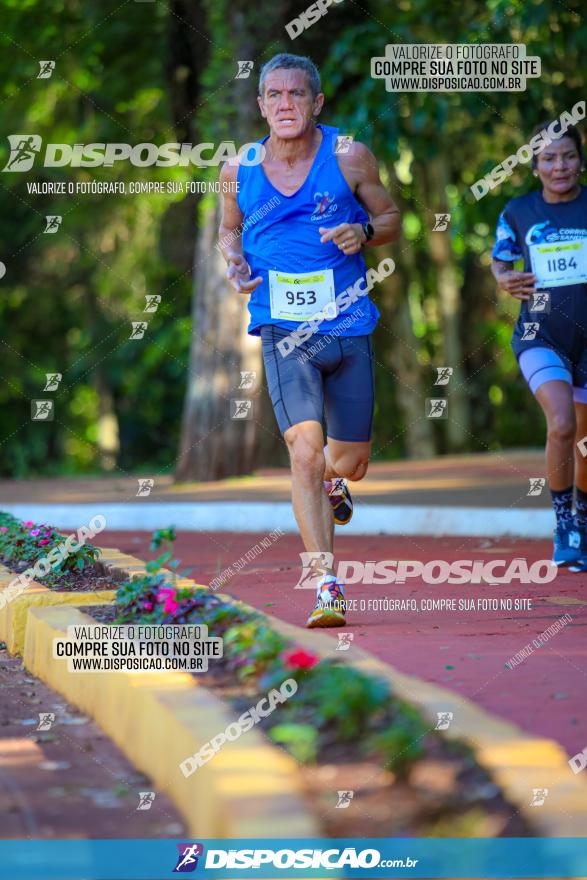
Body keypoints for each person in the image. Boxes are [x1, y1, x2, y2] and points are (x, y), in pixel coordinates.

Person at [218, 52, 400, 626]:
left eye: (297, 95)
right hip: (281, 328)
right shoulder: (239, 166)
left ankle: (335, 483)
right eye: (274, 95)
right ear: (261, 105)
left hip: (347, 326)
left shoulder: (349, 157)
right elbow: (228, 230)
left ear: (316, 103)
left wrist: (364, 231)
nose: (285, 105)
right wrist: (234, 260)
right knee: (303, 450)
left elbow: (392, 217)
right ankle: (327, 584)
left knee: (348, 463)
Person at [491, 120, 587, 567]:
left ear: (580, 160)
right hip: (540, 334)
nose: (559, 165)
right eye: (548, 158)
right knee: (562, 423)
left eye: (568, 155)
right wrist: (505, 279)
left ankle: (582, 525)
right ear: (534, 166)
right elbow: (500, 263)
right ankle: (563, 521)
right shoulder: (518, 211)